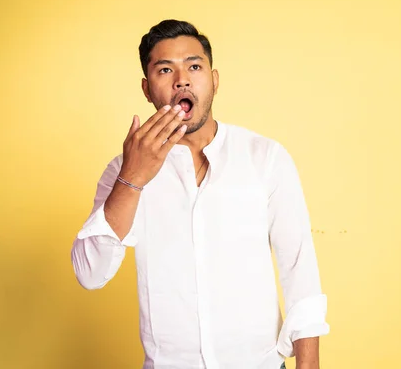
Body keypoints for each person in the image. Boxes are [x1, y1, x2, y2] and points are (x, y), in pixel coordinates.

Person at [71, 19, 329, 369]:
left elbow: (299, 267)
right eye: (166, 70)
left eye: (194, 66)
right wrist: (132, 178)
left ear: (214, 80)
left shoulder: (265, 158)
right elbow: (90, 273)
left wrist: (309, 365)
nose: (182, 79)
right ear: (147, 90)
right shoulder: (123, 170)